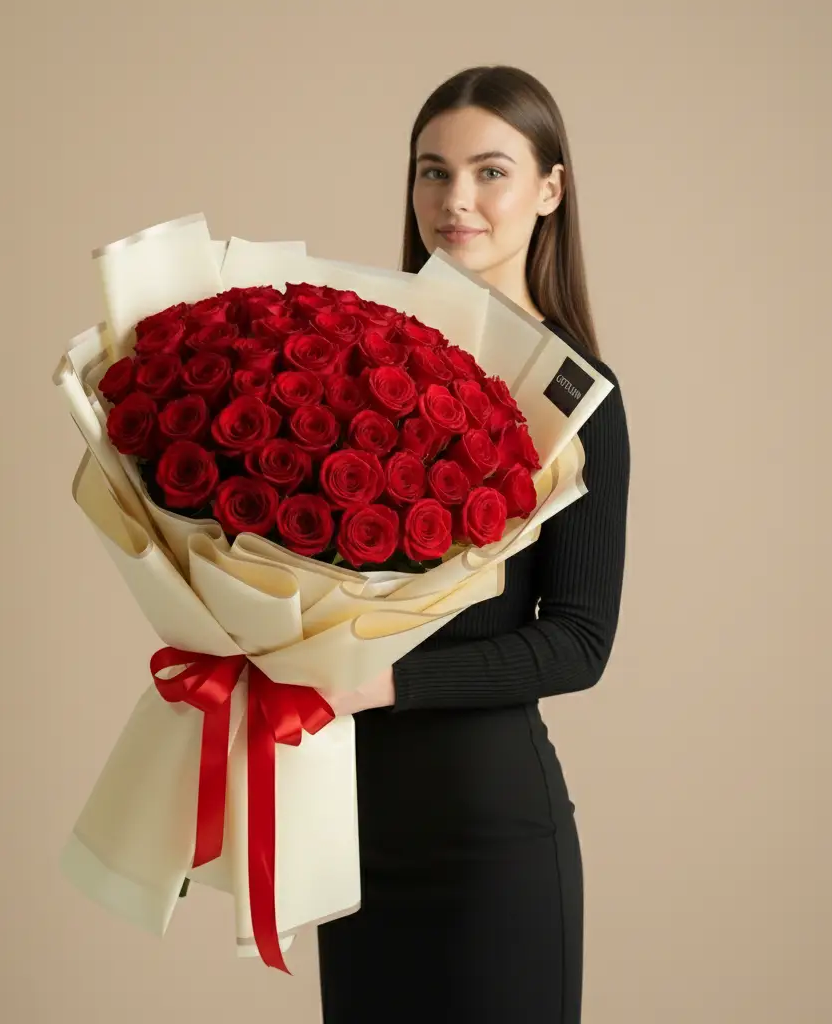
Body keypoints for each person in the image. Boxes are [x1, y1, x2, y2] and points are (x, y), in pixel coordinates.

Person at [315, 65, 631, 1023]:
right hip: (349, 837)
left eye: (490, 172)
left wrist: (385, 683)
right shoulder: (347, 364)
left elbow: (579, 640)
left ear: (549, 189)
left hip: (491, 840)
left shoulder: (577, 396)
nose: (455, 202)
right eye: (432, 172)